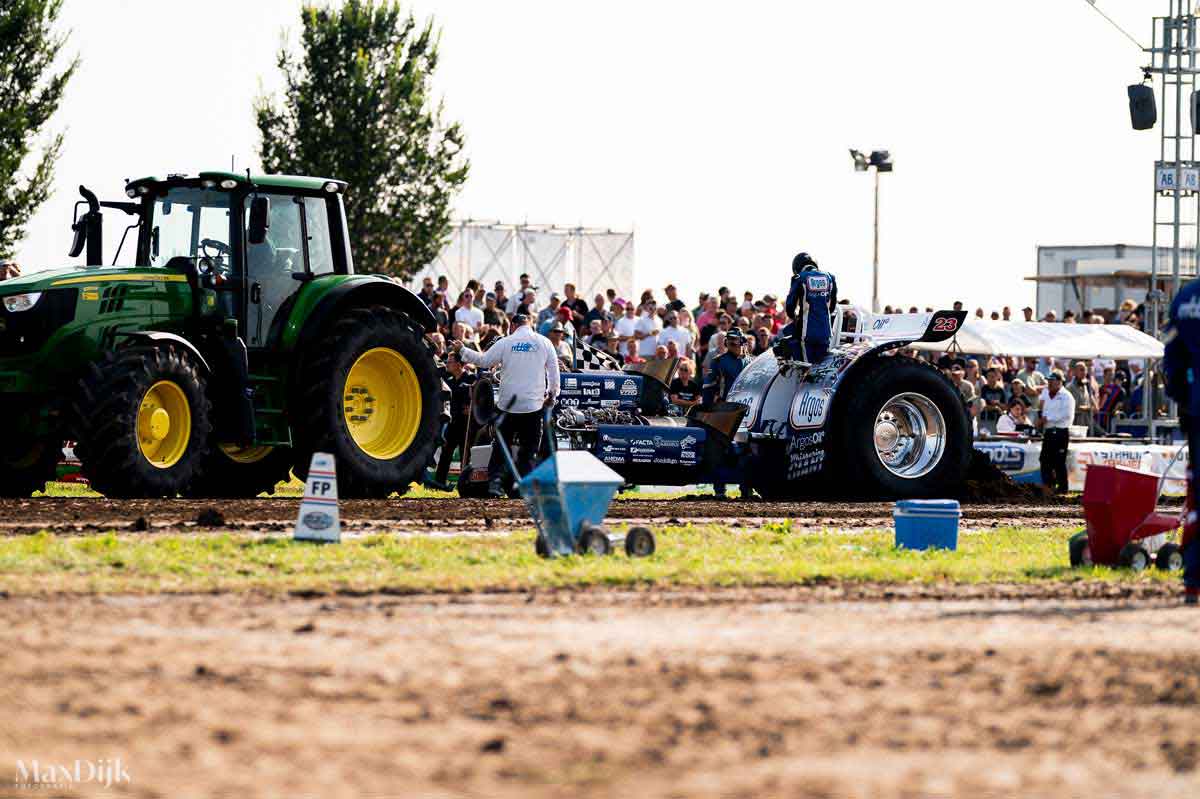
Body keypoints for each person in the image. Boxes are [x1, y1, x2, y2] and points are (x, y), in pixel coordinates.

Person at [453, 314, 559, 498]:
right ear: (530, 325)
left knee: (501, 448)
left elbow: (484, 361)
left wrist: (463, 350)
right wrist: (552, 395)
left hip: (508, 406)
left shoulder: (507, 342)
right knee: (529, 451)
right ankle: (522, 488)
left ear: (512, 326)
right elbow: (554, 372)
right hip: (532, 407)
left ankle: (495, 485)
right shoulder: (545, 343)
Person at [1163, 278, 1200, 604]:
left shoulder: (1187, 297)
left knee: (1197, 497)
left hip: (1197, 408)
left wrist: (1184, 401)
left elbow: (1172, 355)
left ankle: (1192, 581)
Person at [427, 350, 477, 492]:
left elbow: (480, 396)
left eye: (450, 361)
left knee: (465, 456)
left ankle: (467, 484)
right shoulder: (447, 380)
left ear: (458, 364)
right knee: (445, 454)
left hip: (466, 425)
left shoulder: (471, 379)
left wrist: (472, 407)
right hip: (452, 424)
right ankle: (439, 484)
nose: (447, 364)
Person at [782, 252, 837, 364]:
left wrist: (795, 317)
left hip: (807, 333)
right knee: (822, 369)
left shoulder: (799, 278)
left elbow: (790, 306)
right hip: (826, 332)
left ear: (796, 267)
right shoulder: (830, 277)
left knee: (807, 368)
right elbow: (832, 306)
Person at [1038, 371, 1076, 494]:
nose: (1049, 383)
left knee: (1059, 461)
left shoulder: (1067, 396)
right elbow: (1042, 406)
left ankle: (1063, 489)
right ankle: (1049, 486)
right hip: (1049, 431)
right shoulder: (1046, 393)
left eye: (1052, 381)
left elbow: (1066, 415)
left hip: (1060, 432)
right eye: (1048, 381)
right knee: (1044, 460)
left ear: (1059, 382)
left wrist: (1046, 418)